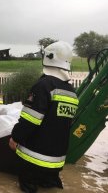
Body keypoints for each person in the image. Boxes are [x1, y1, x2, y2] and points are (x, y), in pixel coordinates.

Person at [9, 41, 79, 193]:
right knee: (52, 188)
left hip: (33, 159)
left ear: (48, 58)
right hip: (56, 163)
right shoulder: (72, 92)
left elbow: (30, 120)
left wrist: (15, 137)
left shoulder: (43, 86)